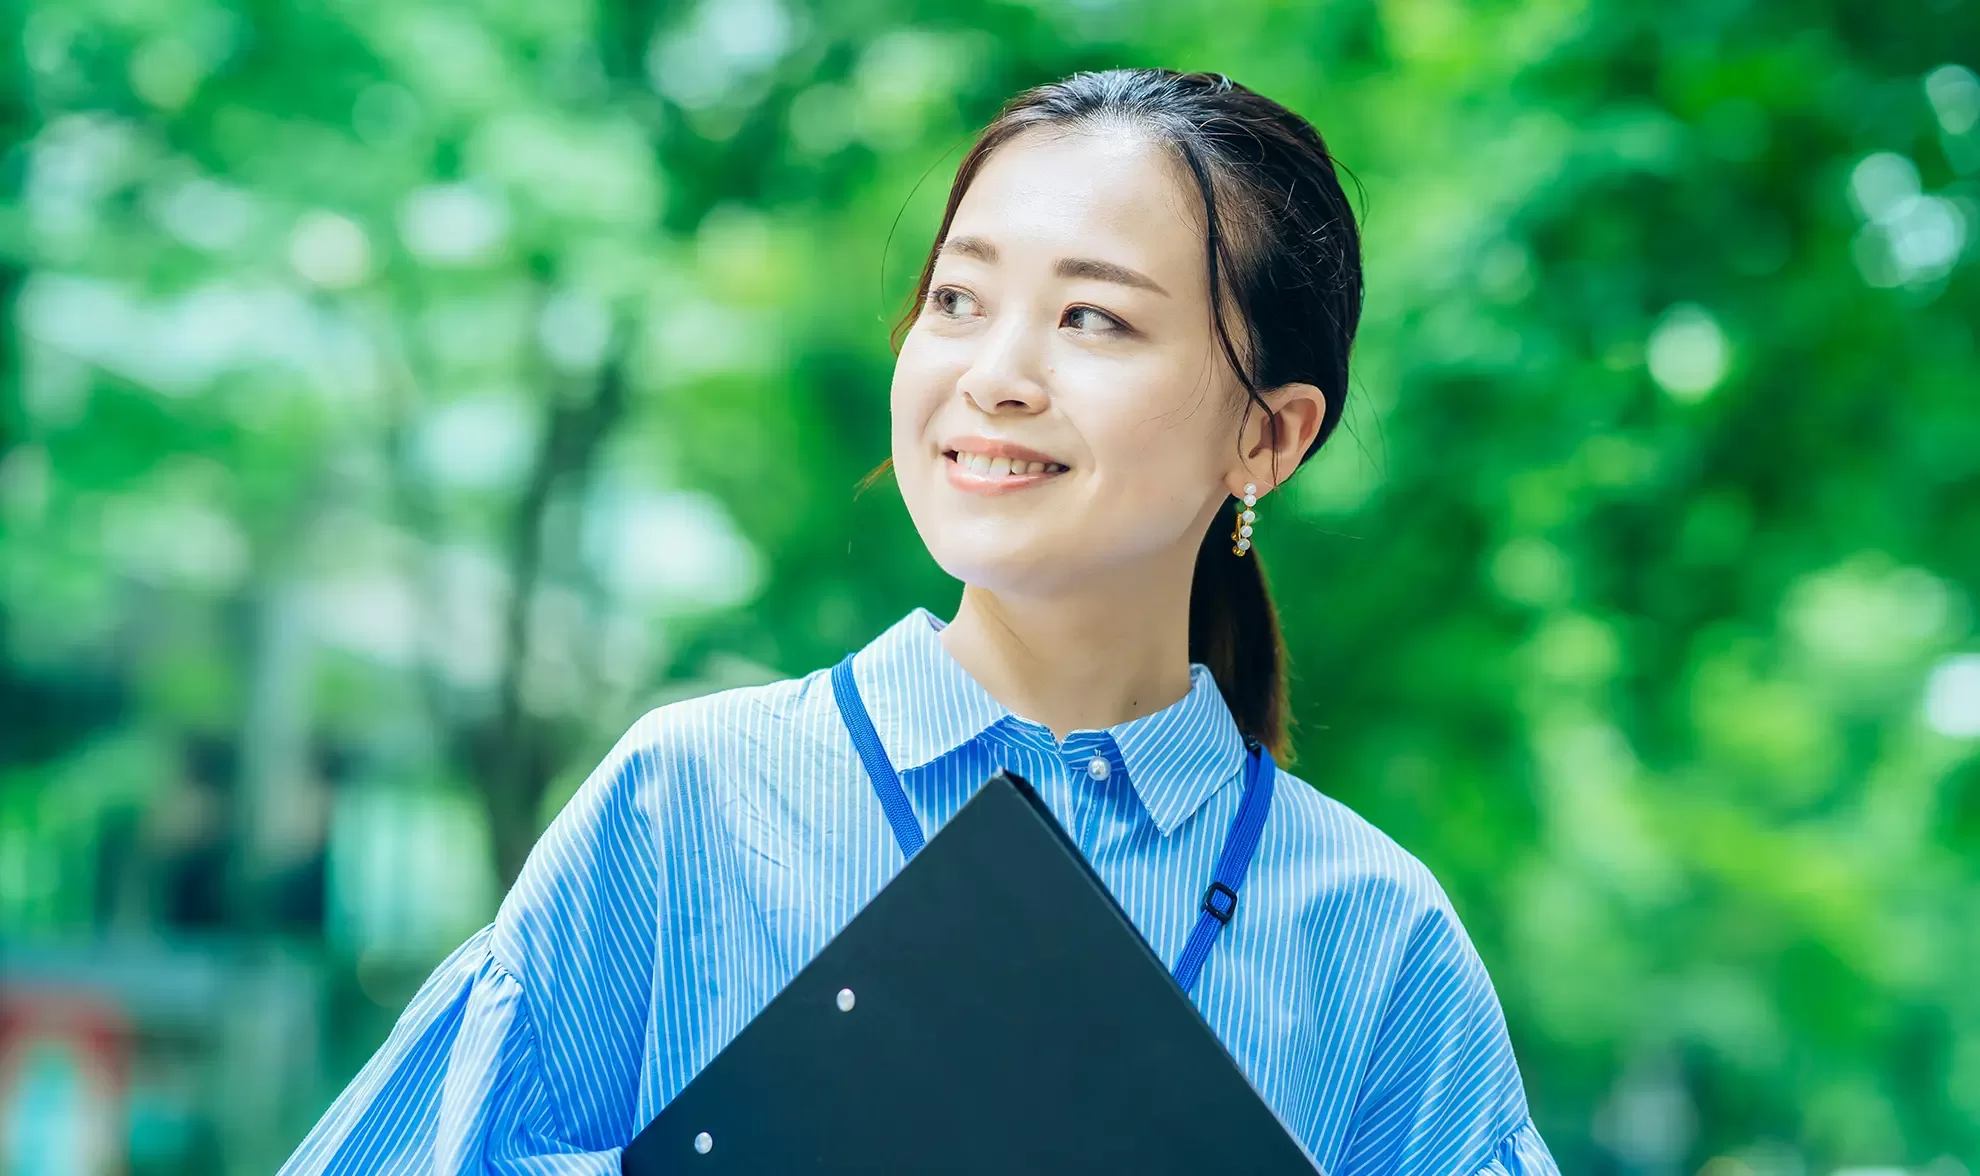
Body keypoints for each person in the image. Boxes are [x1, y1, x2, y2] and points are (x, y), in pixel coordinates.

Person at [280, 68, 1559, 1174]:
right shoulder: (689, 810)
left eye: (1093, 318)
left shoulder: (1375, 943)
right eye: (959, 300)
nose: (994, 375)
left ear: (1266, 436)